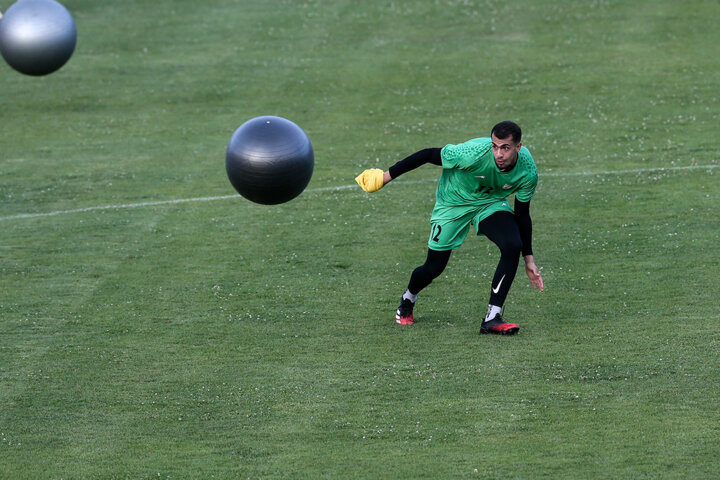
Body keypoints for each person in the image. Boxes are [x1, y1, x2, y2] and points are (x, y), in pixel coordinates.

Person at [355, 121, 543, 335]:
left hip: (489, 203)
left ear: (518, 147)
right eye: (495, 146)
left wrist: (528, 259)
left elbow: (522, 214)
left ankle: (492, 317)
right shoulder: (471, 153)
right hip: (453, 202)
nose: (498, 153)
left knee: (512, 244)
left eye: (505, 148)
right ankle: (409, 297)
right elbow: (427, 154)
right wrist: (385, 177)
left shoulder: (527, 171)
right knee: (434, 267)